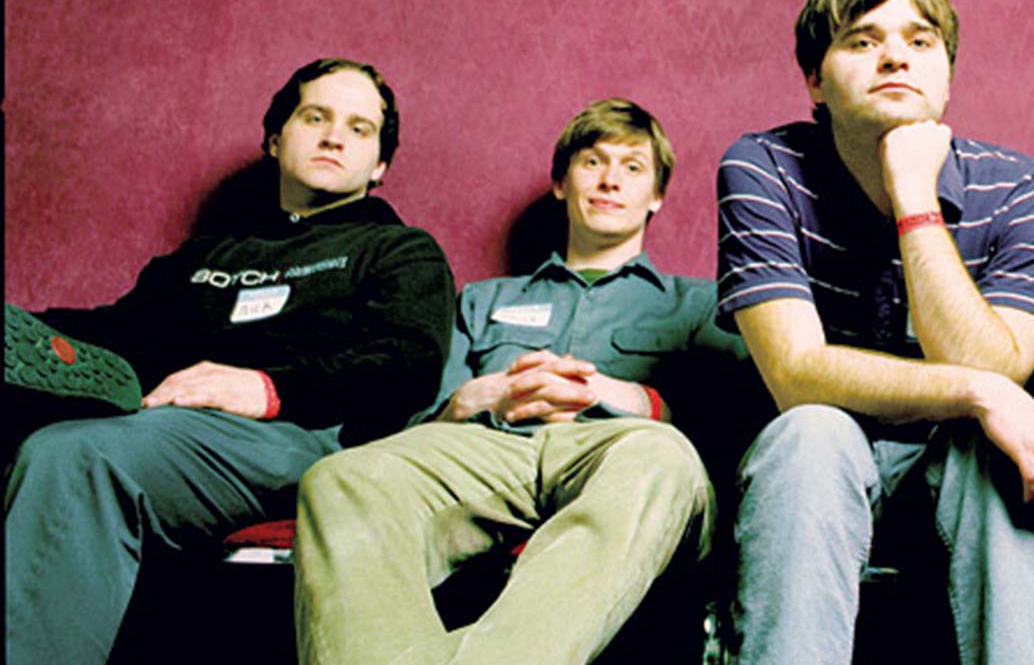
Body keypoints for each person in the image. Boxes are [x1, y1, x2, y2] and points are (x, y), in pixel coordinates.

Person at [4, 57, 457, 664]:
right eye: (315, 116)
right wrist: (26, 329)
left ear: (379, 165)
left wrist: (268, 389)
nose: (332, 136)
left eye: (358, 128)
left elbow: (411, 363)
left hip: (304, 438)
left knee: (76, 455)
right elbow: (115, 335)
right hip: (163, 428)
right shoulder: (203, 258)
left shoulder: (398, 250)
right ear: (275, 138)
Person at [717, 0, 1034, 665]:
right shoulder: (762, 166)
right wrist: (983, 392)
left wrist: (914, 198)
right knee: (811, 430)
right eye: (862, 41)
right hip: (815, 487)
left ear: (948, 75)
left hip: (961, 485)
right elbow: (795, 375)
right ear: (815, 81)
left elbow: (993, 361)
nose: (895, 54)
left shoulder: (1032, 190)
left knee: (988, 448)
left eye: (921, 42)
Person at [294, 98, 749, 665]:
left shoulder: (702, 305)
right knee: (341, 478)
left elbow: (741, 425)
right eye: (591, 162)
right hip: (489, 451)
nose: (609, 179)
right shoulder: (485, 300)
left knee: (659, 459)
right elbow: (410, 418)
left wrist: (633, 399)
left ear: (656, 195)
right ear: (561, 183)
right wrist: (465, 400)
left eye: (632, 167)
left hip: (627, 456)